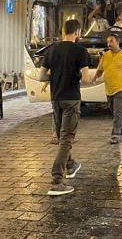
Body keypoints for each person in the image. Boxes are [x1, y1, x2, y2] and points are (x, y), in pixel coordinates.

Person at [39, 19, 90, 196]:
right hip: (72, 99)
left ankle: (70, 165)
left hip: (56, 98)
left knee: (62, 138)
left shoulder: (51, 49)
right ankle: (56, 181)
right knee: (66, 140)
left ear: (63, 32)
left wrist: (56, 73)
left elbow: (41, 76)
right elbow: (85, 79)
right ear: (77, 32)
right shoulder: (80, 51)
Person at [92, 33, 122, 144]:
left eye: (111, 41)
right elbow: (100, 69)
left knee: (117, 110)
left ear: (117, 42)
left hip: (121, 87)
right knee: (113, 109)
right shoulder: (106, 56)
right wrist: (96, 77)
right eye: (108, 42)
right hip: (109, 88)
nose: (109, 44)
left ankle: (115, 134)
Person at [41, 80, 78, 145]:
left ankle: (58, 137)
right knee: (68, 117)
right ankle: (67, 137)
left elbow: (48, 74)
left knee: (57, 117)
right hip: (68, 95)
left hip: (57, 95)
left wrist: (45, 84)